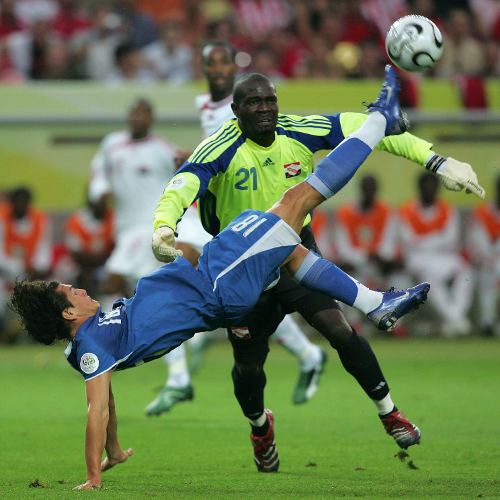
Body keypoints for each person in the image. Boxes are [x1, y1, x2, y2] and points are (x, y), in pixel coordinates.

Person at [11, 79, 432, 488]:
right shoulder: (91, 352)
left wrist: (116, 450)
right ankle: (379, 128)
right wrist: (93, 475)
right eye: (72, 292)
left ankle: (375, 312)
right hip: (220, 288)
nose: (81, 289)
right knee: (297, 202)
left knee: (289, 244)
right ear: (68, 313)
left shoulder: (92, 341)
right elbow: (97, 409)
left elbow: (109, 405)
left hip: (211, 268)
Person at [152, 67, 485, 472]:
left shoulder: (300, 130)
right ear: (235, 110)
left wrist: (437, 160)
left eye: (270, 100)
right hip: (243, 270)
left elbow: (373, 127)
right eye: (253, 102)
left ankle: (390, 413)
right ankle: (260, 428)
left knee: (340, 330)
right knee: (249, 368)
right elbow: (183, 183)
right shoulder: (220, 147)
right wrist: (163, 225)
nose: (264, 109)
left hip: (296, 254)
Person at [146, 41, 328, 417]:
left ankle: (185, 370)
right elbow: (213, 153)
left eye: (222, 62)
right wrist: (192, 160)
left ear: (233, 67)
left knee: (239, 290)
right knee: (199, 281)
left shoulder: (252, 100)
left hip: (255, 209)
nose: (216, 69)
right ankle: (304, 353)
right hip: (215, 210)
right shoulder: (205, 105)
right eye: (209, 63)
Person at [88, 98, 177, 306]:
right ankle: (155, 327)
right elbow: (99, 171)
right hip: (124, 226)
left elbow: (184, 177)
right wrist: (100, 191)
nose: (138, 117)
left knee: (112, 279)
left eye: (143, 113)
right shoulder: (112, 143)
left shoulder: (164, 149)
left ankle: (97, 328)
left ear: (151, 118)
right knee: (143, 283)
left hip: (150, 225)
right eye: (134, 112)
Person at [399, 172, 474, 337]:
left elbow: (451, 239)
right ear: (419, 188)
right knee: (428, 278)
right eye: (426, 187)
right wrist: (436, 237)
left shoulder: (448, 210)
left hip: (445, 257)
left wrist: (424, 239)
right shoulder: (407, 210)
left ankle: (454, 318)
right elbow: (409, 240)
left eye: (433, 187)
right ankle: (457, 320)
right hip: (419, 259)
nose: (429, 190)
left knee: (465, 271)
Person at [0, 187, 52, 339]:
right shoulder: (2, 219)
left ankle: (43, 332)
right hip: (5, 273)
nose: (21, 206)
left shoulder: (40, 219)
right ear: (11, 203)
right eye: (18, 202)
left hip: (32, 273)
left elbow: (44, 250)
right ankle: (3, 331)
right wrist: (20, 267)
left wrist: (37, 267)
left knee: (52, 288)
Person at [468, 175, 500, 336]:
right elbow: (477, 244)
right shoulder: (482, 212)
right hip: (487, 262)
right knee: (489, 270)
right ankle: (487, 322)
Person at [64, 194, 114, 297]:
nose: (101, 206)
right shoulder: (77, 219)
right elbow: (75, 253)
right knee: (63, 272)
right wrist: (89, 268)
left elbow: (116, 247)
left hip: (104, 264)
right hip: (80, 265)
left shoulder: (113, 218)